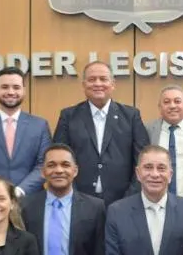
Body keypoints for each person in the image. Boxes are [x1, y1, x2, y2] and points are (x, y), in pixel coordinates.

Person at [53, 61, 149, 205]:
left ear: (113, 84)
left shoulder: (131, 116)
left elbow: (142, 160)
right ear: (84, 85)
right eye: (92, 79)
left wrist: (130, 198)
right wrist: (72, 194)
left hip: (122, 201)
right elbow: (58, 158)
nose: (98, 84)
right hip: (78, 201)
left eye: (103, 79)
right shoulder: (69, 116)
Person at [0, 66, 51, 196]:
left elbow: (44, 164)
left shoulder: (40, 125)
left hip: (31, 200)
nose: (11, 92)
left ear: (24, 90)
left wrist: (20, 191)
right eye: (5, 87)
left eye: (16, 87)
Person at [145, 85, 183, 206]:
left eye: (177, 101)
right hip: (155, 204)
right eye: (166, 102)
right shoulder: (147, 130)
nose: (172, 106)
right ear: (159, 107)